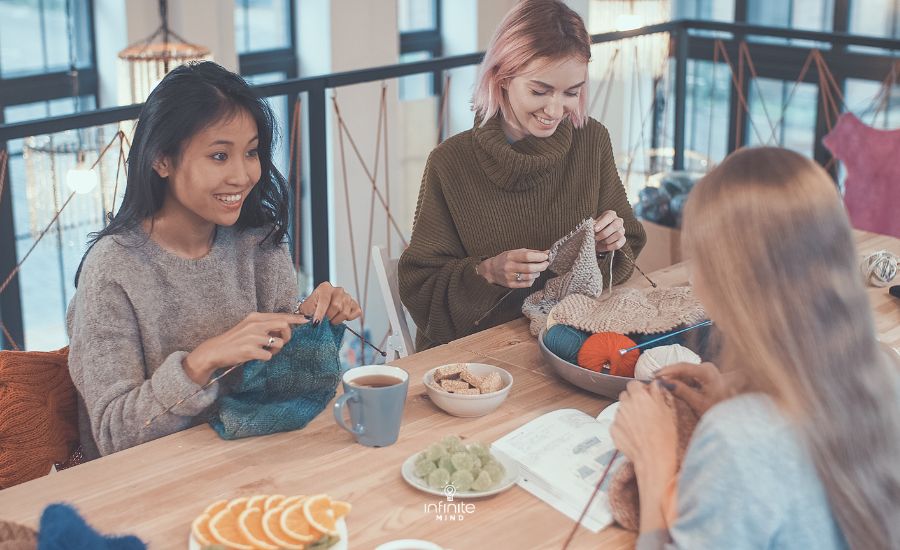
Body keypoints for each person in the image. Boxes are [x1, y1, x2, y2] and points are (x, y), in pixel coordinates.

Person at [68, 62, 361, 459]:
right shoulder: (112, 271)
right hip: (155, 484)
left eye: (252, 152)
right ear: (161, 160)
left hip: (257, 460)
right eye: (220, 156)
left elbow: (277, 389)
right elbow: (113, 435)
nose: (243, 176)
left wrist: (308, 319)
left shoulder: (259, 241)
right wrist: (201, 362)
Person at [611, 147, 900, 549]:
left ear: (725, 283)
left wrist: (653, 461)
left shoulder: (736, 441)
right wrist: (739, 393)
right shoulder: (883, 372)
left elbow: (758, 452)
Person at [398, 0, 646, 350]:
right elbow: (421, 286)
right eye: (539, 91)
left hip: (569, 340)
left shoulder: (592, 141)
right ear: (502, 78)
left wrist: (608, 245)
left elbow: (626, 251)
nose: (555, 110)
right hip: (480, 355)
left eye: (571, 92)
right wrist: (487, 273)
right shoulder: (450, 162)